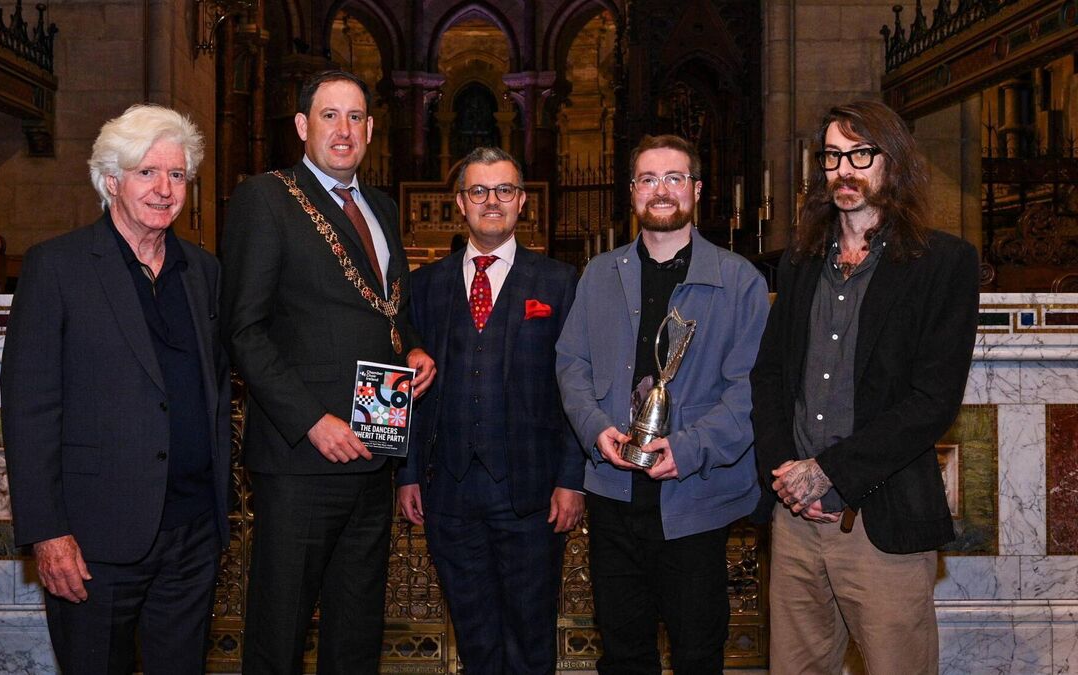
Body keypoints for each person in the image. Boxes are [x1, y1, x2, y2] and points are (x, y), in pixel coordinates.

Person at [751, 99, 979, 674]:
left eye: (860, 154)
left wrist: (830, 471)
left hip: (880, 521)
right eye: (832, 156)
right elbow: (771, 375)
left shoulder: (942, 263)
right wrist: (787, 473)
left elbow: (933, 402)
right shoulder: (801, 260)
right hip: (796, 520)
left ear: (892, 161)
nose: (843, 170)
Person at [1, 104, 231, 673]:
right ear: (111, 181)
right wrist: (48, 532)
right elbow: (29, 409)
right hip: (94, 540)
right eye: (147, 172)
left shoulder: (203, 273)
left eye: (177, 175)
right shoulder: (58, 267)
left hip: (193, 533)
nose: (164, 188)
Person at [220, 69, 436, 674]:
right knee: (280, 627)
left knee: (356, 625)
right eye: (329, 115)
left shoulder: (383, 206)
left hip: (375, 444)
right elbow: (243, 330)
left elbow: (391, 308)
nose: (345, 130)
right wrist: (312, 420)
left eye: (356, 117)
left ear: (370, 128)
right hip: (302, 458)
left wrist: (414, 347)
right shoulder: (266, 197)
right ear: (301, 125)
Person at [555, 134, 769, 674]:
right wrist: (595, 428)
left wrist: (691, 447)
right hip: (614, 495)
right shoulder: (600, 274)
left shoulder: (739, 280)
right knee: (624, 653)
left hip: (695, 497)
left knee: (698, 653)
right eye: (649, 179)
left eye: (675, 178)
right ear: (632, 193)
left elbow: (750, 391)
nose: (662, 190)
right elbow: (571, 363)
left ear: (697, 190)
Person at [396, 146, 584, 675]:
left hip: (529, 490)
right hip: (449, 492)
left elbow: (576, 386)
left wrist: (572, 479)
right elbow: (413, 382)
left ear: (522, 201)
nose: (492, 201)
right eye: (479, 191)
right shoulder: (427, 285)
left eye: (504, 190)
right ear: (460, 202)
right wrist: (408, 475)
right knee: (475, 634)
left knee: (530, 636)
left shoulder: (558, 282)